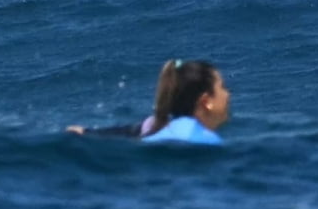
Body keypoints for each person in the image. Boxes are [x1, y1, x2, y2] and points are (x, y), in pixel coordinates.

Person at [66, 59, 231, 145]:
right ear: (206, 101)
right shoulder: (204, 139)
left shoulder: (154, 126)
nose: (228, 95)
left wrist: (86, 133)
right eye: (222, 87)